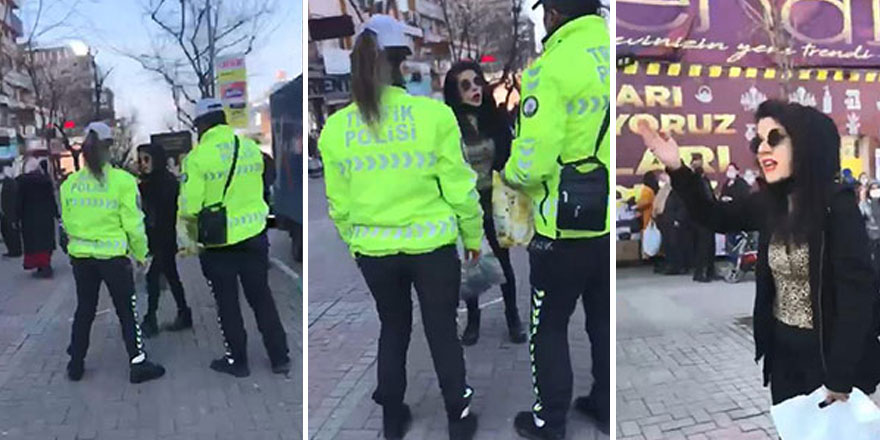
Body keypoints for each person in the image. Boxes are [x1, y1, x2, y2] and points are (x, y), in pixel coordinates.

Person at [638, 100, 880, 407]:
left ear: (807, 144)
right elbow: (714, 215)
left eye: (774, 139)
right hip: (783, 357)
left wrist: (840, 375)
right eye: (759, 141)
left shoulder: (838, 207)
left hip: (828, 361)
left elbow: (857, 296)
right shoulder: (770, 204)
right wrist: (676, 166)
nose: (763, 149)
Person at [318, 15, 482, 440]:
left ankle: (392, 420)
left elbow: (339, 203)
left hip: (375, 252)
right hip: (432, 247)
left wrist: (356, 243)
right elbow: (460, 187)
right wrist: (472, 236)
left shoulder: (336, 129)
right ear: (403, 63)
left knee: (393, 329)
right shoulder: (433, 115)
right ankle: (459, 419)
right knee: (442, 329)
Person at [502, 0, 610, 437]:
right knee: (600, 320)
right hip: (603, 221)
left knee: (547, 329)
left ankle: (550, 422)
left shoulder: (550, 68)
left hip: (559, 228)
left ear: (553, 14)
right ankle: (603, 404)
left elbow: (531, 163)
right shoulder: (609, 50)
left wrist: (508, 173)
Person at [178, 98, 290, 378]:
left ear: (202, 125)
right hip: (254, 235)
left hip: (219, 244)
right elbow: (266, 182)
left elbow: (191, 207)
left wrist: (189, 237)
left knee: (227, 304)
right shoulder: (250, 149)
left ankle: (238, 362)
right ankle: (280, 358)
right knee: (262, 297)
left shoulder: (197, 158)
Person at [60, 122, 166, 383]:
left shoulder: (69, 184)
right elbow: (134, 225)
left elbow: (67, 223)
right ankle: (137, 363)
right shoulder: (123, 182)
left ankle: (75, 363)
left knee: (85, 308)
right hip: (113, 258)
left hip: (81, 257)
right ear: (109, 148)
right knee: (127, 310)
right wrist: (142, 255)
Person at [443, 60, 526, 346]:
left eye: (477, 82)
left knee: (504, 264)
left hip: (495, 203)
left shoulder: (496, 118)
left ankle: (513, 317)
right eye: (466, 85)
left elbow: (509, 157)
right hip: (466, 206)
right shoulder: (448, 125)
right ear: (455, 92)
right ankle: (473, 320)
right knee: (472, 263)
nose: (474, 89)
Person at [136, 143, 191, 337]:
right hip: (157, 238)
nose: (142, 164)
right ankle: (184, 313)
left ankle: (150, 319)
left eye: (146, 159)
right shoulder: (148, 182)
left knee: (153, 278)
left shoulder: (164, 182)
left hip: (162, 238)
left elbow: (160, 213)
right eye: (140, 159)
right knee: (171, 275)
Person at [17, 157, 58, 278]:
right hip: (45, 217)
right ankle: (46, 265)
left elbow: (19, 201)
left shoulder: (22, 183)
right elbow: (52, 199)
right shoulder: (46, 181)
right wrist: (56, 214)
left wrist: (16, 217)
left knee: (34, 243)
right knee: (45, 242)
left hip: (29, 219)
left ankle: (40, 266)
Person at [689, 154, 717, 282]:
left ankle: (710, 270)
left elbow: (709, 195)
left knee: (710, 245)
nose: (698, 164)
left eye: (700, 161)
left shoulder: (704, 178)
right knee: (702, 246)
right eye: (696, 162)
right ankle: (701, 272)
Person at [719, 163, 752, 259]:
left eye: (732, 170)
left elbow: (745, 198)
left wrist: (732, 200)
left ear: (737, 171)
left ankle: (738, 263)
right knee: (729, 243)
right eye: (728, 170)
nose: (730, 172)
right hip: (728, 218)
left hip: (739, 217)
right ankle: (731, 263)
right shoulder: (726, 184)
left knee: (738, 243)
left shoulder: (742, 184)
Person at [0, 165, 22, 258]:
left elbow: (14, 199)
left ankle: (16, 250)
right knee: (5, 231)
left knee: (12, 230)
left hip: (9, 210)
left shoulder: (10, 183)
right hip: (2, 211)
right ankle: (11, 250)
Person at [860, 182, 880, 280]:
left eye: (877, 188)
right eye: (873, 189)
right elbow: (861, 214)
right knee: (874, 265)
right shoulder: (866, 204)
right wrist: (862, 199)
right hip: (871, 238)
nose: (875, 191)